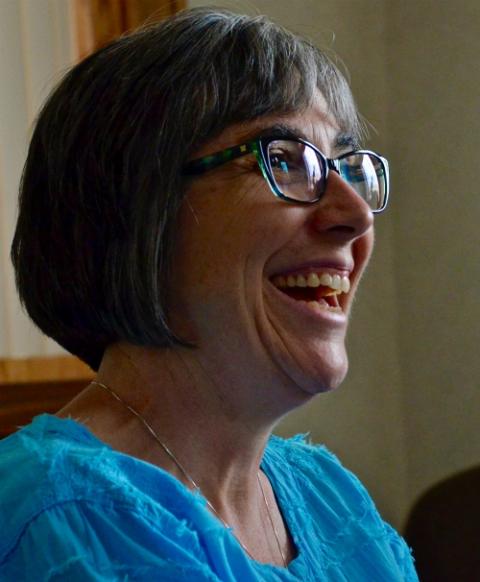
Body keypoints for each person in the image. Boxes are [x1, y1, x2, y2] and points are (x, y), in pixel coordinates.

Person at [1, 7, 417, 581]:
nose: (353, 215)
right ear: (137, 208)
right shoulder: (66, 523)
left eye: (347, 167)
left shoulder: (327, 495)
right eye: (286, 160)